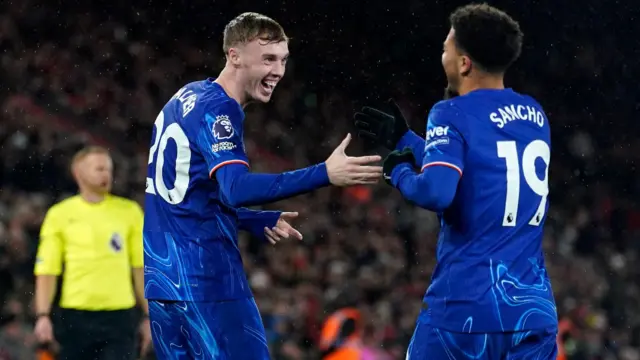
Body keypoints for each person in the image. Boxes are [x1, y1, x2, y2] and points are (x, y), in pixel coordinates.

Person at [143, 12, 382, 360]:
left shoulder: (186, 96)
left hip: (163, 282)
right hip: (209, 279)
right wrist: (324, 173)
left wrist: (250, 220)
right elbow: (236, 188)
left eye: (283, 60)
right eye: (268, 59)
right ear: (234, 55)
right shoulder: (220, 110)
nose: (278, 72)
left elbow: (184, 194)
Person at [354, 4, 558, 359]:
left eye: (446, 47)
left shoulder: (450, 111)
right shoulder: (534, 114)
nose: (442, 54)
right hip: (532, 311)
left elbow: (437, 191)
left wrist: (398, 173)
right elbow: (483, 167)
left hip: (467, 311)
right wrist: (410, 142)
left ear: (464, 63)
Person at [33, 146, 152, 360]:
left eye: (109, 169)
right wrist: (43, 315)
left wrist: (149, 315)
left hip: (120, 317)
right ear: (78, 173)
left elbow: (140, 268)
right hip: (75, 317)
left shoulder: (130, 212)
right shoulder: (59, 214)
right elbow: (47, 270)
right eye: (99, 169)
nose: (106, 174)